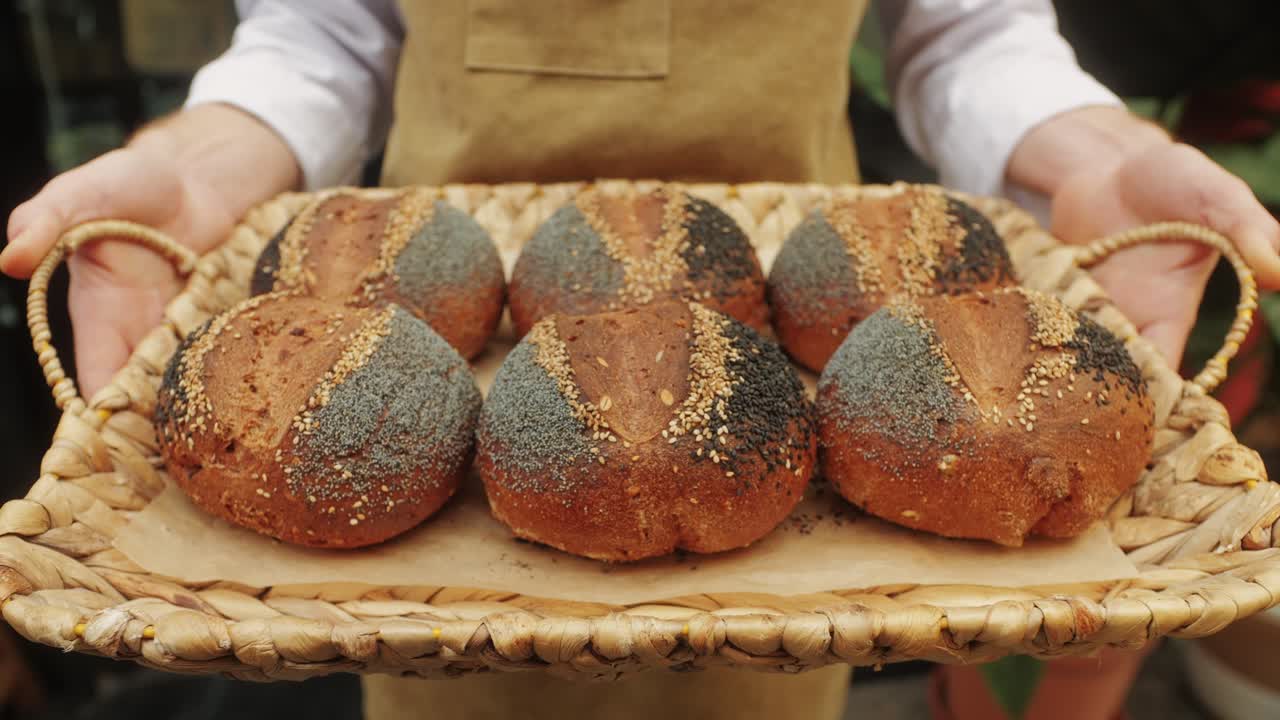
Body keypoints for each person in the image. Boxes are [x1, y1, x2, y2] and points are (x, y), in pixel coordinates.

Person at [4, 2, 1278, 719]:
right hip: (441, 292)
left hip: (783, 263)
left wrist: (1091, 159)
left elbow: (964, 33)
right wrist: (197, 161)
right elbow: (320, 38)